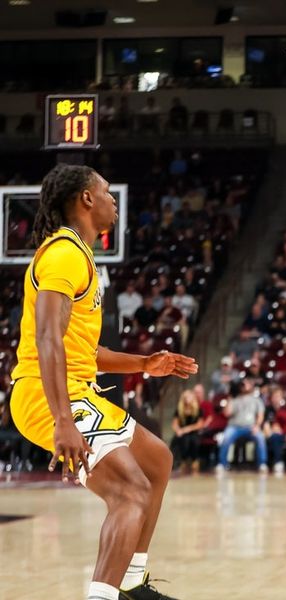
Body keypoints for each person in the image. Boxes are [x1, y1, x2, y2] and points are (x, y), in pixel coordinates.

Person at [8, 164, 198, 600]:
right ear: (87, 199)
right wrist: (63, 420)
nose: (114, 200)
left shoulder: (81, 255)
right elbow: (47, 339)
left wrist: (145, 363)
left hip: (76, 389)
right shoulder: (63, 254)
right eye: (107, 192)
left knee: (157, 460)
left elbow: (82, 351)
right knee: (130, 490)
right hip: (45, 394)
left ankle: (131, 580)